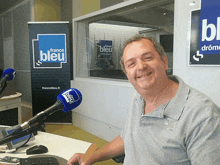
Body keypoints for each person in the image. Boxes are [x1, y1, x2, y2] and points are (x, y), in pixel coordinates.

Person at [68, 35, 220, 165]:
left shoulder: (203, 114)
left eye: (147, 58)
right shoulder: (139, 98)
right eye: (131, 64)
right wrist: (92, 157)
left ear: (164, 62)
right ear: (127, 74)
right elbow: (129, 138)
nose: (140, 66)